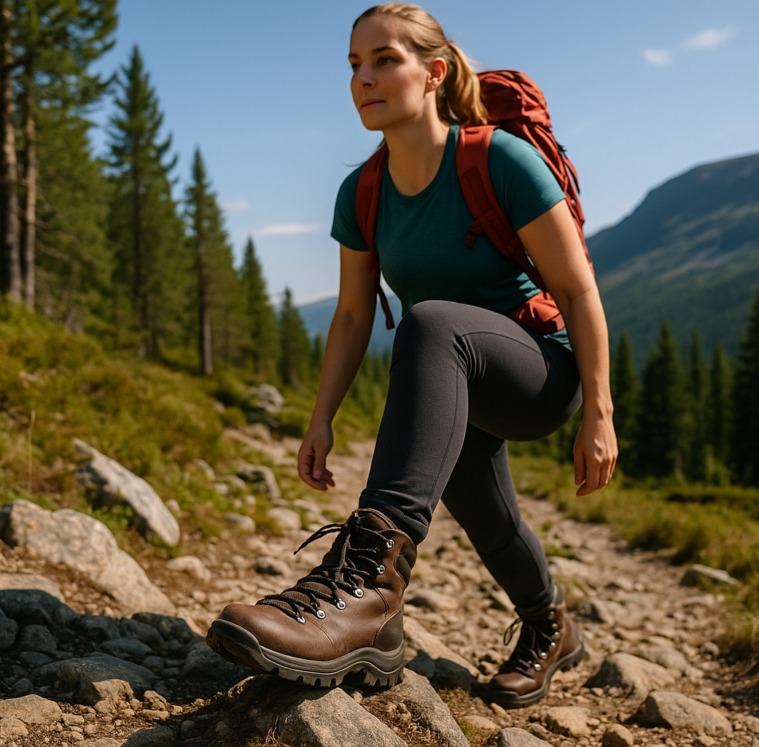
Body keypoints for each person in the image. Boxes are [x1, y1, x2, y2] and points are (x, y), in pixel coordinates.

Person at [207, 2, 617, 708]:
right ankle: (550, 624)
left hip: (540, 372)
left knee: (429, 324)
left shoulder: (497, 158)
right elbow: (352, 314)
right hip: (454, 376)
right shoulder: (362, 192)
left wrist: (600, 415)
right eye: (354, 65)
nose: (363, 77)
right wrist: (321, 417)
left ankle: (365, 590)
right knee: (489, 517)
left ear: (433, 73)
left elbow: (580, 292)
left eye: (384, 59)